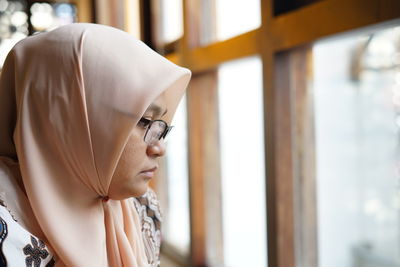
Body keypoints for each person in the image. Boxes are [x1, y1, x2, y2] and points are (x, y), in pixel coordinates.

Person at [0, 23, 191, 266]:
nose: (159, 148)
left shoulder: (139, 208)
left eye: (162, 125)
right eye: (145, 121)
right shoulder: (8, 234)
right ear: (68, 120)